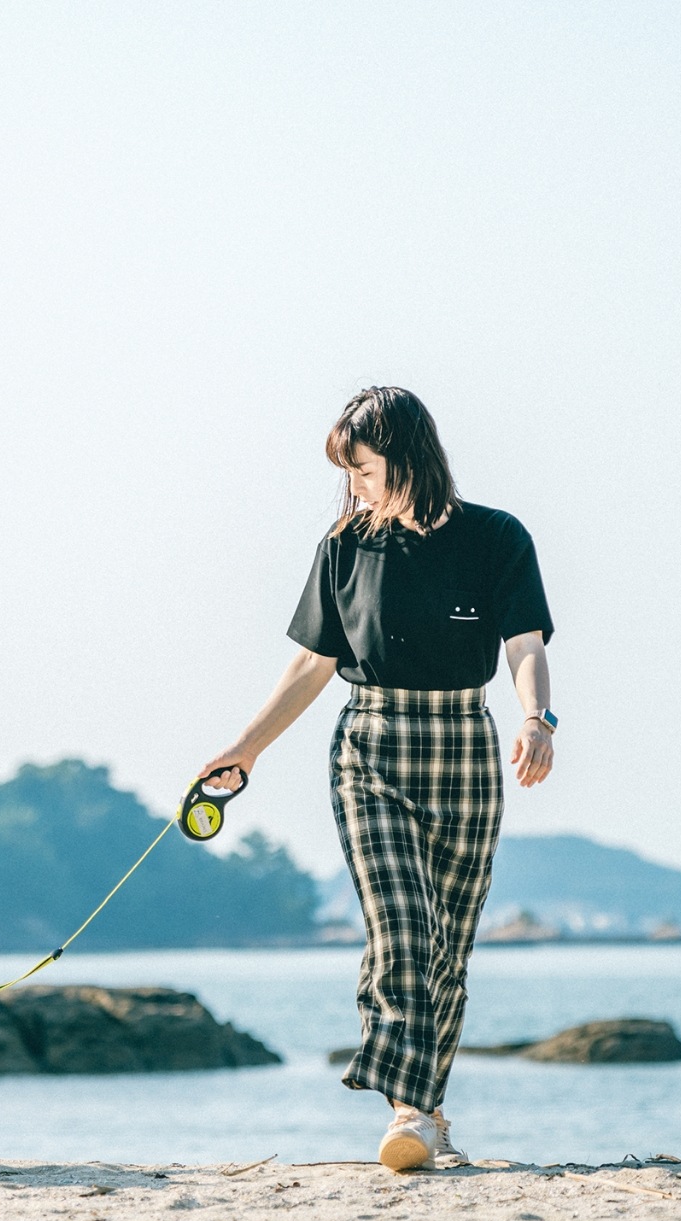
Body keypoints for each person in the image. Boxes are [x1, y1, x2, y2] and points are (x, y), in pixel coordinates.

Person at [201, 386, 555, 1171]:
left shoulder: (497, 538)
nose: (353, 485)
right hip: (370, 747)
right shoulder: (345, 546)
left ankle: (427, 1110)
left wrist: (537, 719)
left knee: (448, 947)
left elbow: (526, 644)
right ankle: (408, 1109)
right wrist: (246, 748)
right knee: (400, 928)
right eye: (348, 473)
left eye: (361, 468)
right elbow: (311, 663)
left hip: (464, 741)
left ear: (406, 456)